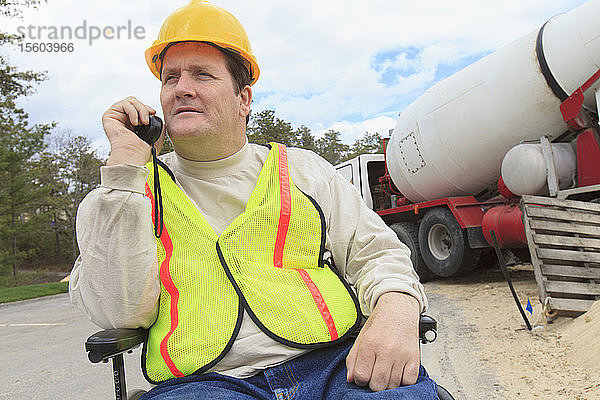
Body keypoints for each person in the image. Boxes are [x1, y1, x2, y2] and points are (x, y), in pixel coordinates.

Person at [69, 1, 438, 398]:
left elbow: (378, 252)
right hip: (203, 386)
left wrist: (396, 309)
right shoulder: (128, 193)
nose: (181, 89)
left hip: (335, 364)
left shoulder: (304, 170)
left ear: (243, 99)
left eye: (202, 75)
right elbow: (117, 310)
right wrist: (126, 163)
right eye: (170, 78)